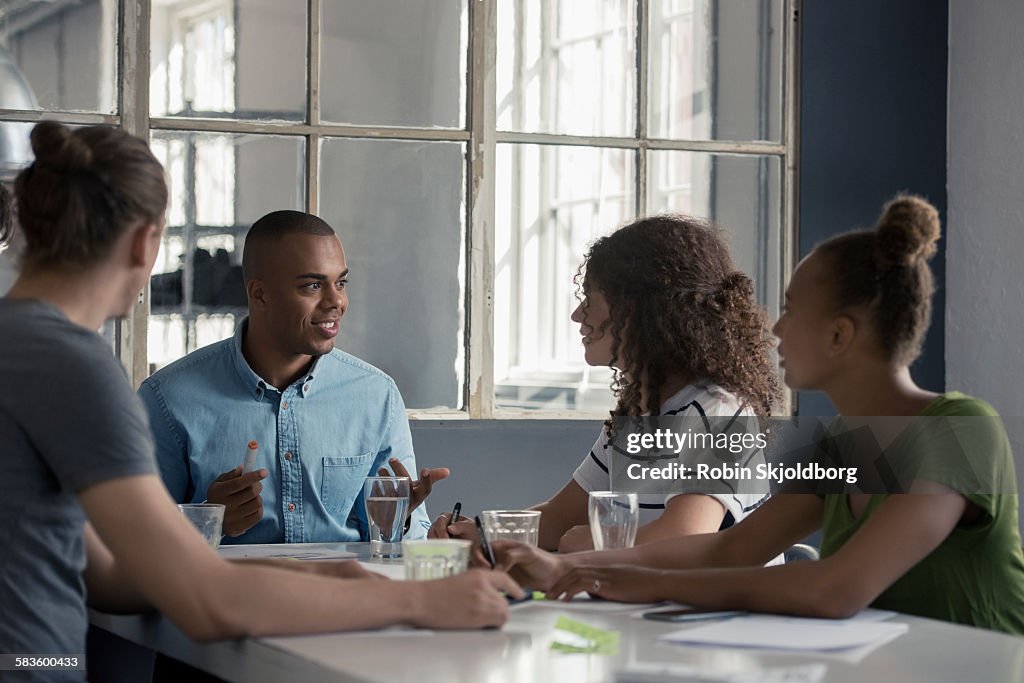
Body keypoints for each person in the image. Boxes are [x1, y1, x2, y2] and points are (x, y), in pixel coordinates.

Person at [0, 122, 520, 675]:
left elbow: (107, 573)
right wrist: (421, 601)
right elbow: (202, 603)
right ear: (143, 242)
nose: (333, 302)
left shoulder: (20, 345)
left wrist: (311, 574)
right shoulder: (72, 367)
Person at [494, 195, 1024, 634]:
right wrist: (567, 567)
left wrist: (599, 572)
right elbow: (729, 549)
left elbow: (834, 589)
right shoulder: (841, 445)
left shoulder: (957, 429)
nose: (774, 330)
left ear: (839, 335)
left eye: (792, 310)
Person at [432, 215, 781, 552]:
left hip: (726, 613)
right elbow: (560, 518)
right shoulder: (641, 411)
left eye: (590, 299)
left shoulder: (719, 410)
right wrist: (481, 533)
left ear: (637, 309)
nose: (577, 315)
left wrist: (585, 543)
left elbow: (683, 536)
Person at [138, 210, 446, 542]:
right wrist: (210, 521)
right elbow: (137, 543)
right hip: (230, 593)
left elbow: (409, 538)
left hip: (346, 590)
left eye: (340, 283)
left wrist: (398, 521)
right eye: (313, 285)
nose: (336, 302)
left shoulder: (377, 395)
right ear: (260, 294)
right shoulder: (168, 399)